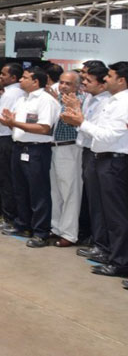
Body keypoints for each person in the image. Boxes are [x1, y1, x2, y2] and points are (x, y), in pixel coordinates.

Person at [62, 62, 128, 282]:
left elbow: (108, 135)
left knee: (117, 215)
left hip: (115, 161)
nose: (105, 80)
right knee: (107, 212)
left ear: (122, 80)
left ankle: (120, 262)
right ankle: (111, 254)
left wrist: (81, 122)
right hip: (104, 158)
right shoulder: (114, 101)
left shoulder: (123, 103)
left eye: (109, 76)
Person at [0, 67, 60, 248]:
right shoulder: (22, 100)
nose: (21, 81)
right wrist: (10, 123)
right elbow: (17, 126)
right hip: (19, 147)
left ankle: (41, 232)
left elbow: (44, 128)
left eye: (25, 78)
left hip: (37, 151)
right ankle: (23, 223)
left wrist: (14, 122)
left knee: (38, 192)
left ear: (36, 82)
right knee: (20, 189)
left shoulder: (45, 101)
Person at [72, 64, 111, 264]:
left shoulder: (106, 102)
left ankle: (103, 245)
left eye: (88, 79)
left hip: (99, 152)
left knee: (101, 203)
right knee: (92, 200)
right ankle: (98, 241)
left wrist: (79, 120)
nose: (84, 82)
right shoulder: (90, 98)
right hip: (88, 150)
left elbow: (95, 129)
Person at [0, 63, 26, 231]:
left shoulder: (11, 94)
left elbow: (2, 119)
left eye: (3, 75)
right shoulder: (15, 93)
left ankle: (9, 216)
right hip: (7, 139)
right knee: (6, 179)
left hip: (4, 139)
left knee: (5, 180)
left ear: (13, 78)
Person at [49, 71, 84, 248]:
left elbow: (77, 123)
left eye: (68, 84)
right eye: (61, 82)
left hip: (70, 148)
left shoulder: (79, 102)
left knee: (70, 192)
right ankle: (56, 227)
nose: (63, 86)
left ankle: (69, 234)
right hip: (53, 148)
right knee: (55, 191)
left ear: (78, 86)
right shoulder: (57, 100)